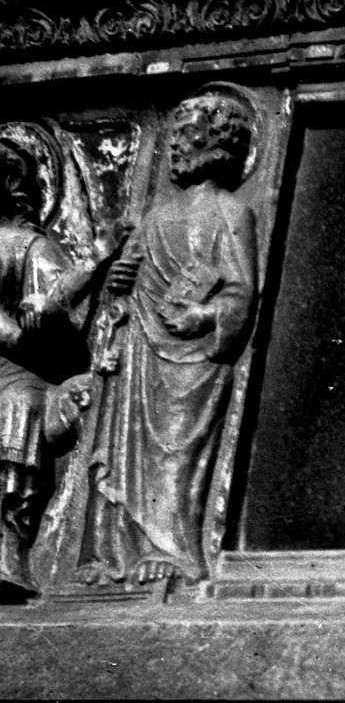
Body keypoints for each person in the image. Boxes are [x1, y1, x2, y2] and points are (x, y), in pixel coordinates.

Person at [75, 90, 258, 590]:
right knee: (124, 446)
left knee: (177, 447)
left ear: (217, 144)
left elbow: (241, 290)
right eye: (173, 136)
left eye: (186, 135)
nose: (176, 146)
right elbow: (127, 282)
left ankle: (171, 548)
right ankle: (116, 550)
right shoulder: (155, 215)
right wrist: (119, 286)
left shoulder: (230, 211)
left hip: (193, 355)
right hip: (141, 346)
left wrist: (205, 314)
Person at [0, 136, 107, 599]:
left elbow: (65, 324)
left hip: (19, 374)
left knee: (19, 405)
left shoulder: (29, 246)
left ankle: (7, 546)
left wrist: (41, 316)